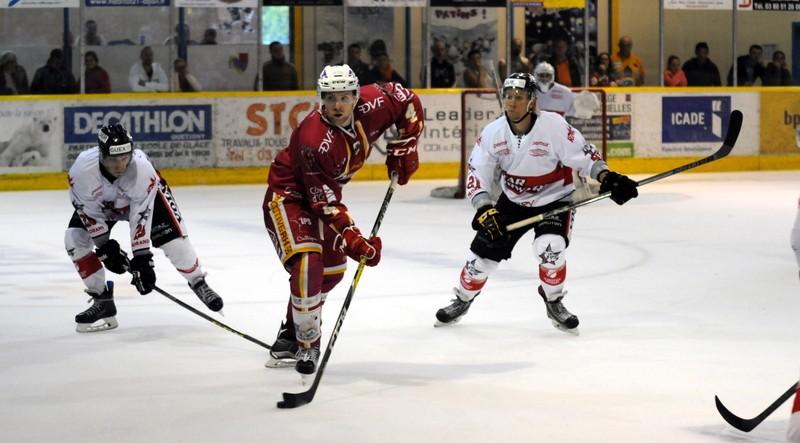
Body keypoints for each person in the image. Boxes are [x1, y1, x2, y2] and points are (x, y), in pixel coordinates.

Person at [434, 73, 638, 331]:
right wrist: (484, 207)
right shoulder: (494, 132)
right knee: (480, 260)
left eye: (519, 97)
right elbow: (478, 171)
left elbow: (584, 155)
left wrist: (608, 177)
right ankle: (462, 299)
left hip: (555, 199)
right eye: (508, 96)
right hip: (513, 201)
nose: (511, 102)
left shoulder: (553, 126)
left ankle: (554, 301)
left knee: (549, 248)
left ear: (531, 101)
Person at [261, 65, 424, 374]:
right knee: (309, 264)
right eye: (330, 98)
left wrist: (408, 141)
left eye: (345, 97)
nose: (338, 105)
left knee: (332, 273)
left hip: (322, 196)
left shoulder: (374, 101)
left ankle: (291, 334)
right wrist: (353, 238)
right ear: (321, 98)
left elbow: (409, 102)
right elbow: (324, 203)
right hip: (289, 197)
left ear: (355, 95)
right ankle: (308, 344)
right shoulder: (314, 139)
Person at [65, 123, 223, 333]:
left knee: (175, 243)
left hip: (146, 200)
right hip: (104, 206)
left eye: (124, 158)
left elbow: (140, 214)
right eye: (113, 160)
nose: (120, 165)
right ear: (102, 155)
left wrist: (142, 260)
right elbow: (89, 212)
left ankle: (197, 280)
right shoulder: (81, 171)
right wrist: (105, 248)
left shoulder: (142, 169)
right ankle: (102, 299)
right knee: (74, 239)